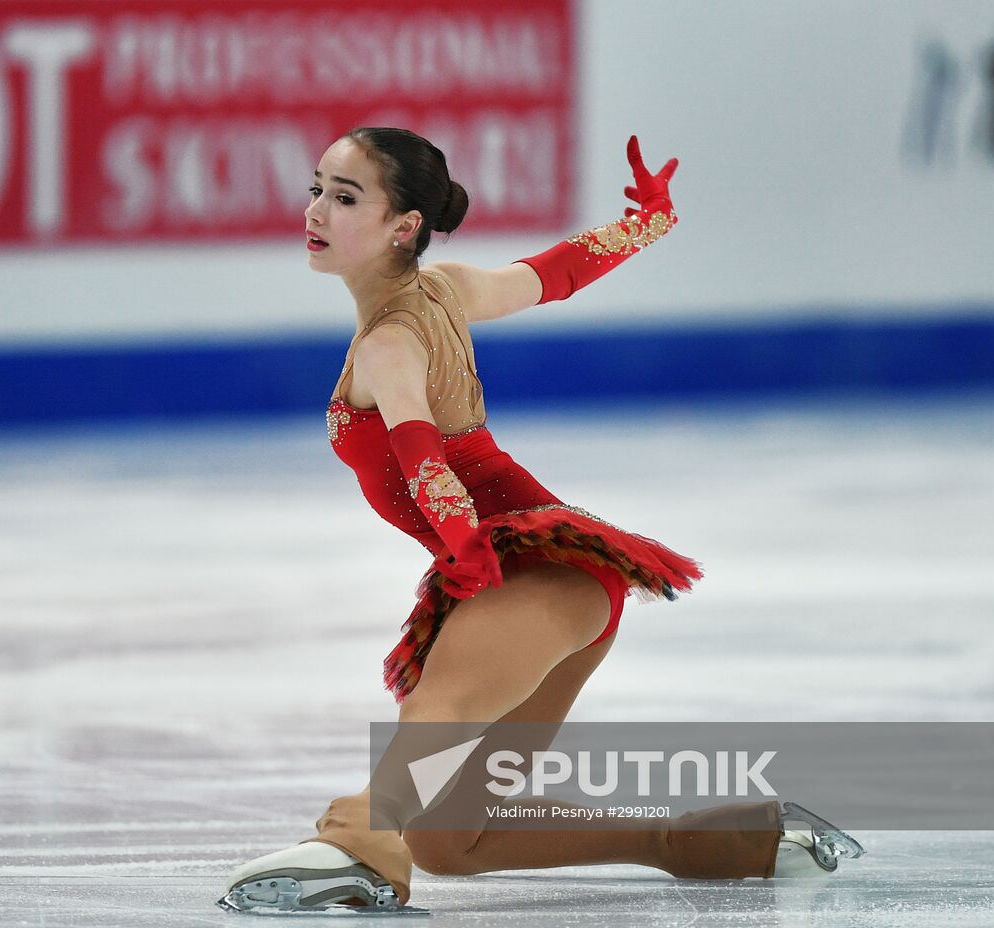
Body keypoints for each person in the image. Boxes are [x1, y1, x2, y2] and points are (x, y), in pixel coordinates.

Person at [219, 129, 863, 914]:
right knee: (454, 837)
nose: (317, 210)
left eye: (346, 197)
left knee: (436, 712)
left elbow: (425, 459)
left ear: (403, 226)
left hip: (530, 568)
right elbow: (555, 273)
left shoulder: (392, 341)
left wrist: (461, 546)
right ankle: (713, 842)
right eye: (317, 187)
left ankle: (360, 840)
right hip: (561, 586)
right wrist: (648, 222)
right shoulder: (446, 290)